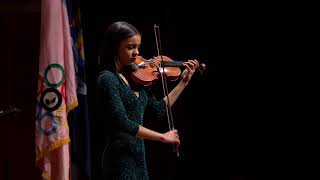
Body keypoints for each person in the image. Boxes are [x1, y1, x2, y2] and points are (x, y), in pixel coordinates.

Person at [95, 21, 199, 180]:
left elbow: (158, 109)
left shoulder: (138, 79)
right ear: (114, 48)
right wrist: (163, 137)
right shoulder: (108, 79)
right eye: (130, 47)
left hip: (138, 157)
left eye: (138, 47)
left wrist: (183, 83)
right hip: (119, 158)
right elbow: (122, 122)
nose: (136, 53)